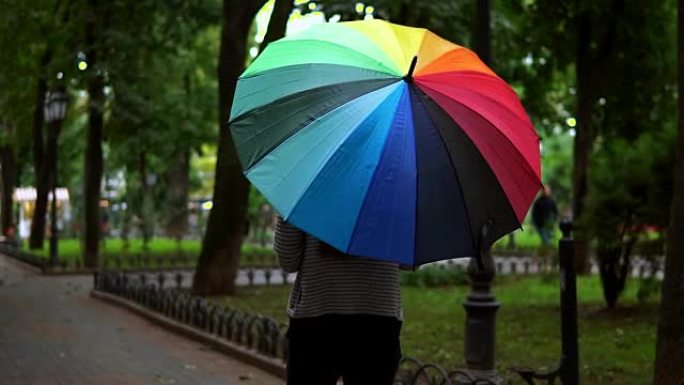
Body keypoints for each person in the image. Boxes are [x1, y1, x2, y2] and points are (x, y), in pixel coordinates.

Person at [275, 217, 402, 385]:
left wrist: (284, 217)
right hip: (379, 318)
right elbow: (409, 263)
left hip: (317, 316)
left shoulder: (306, 195)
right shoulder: (396, 196)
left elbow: (289, 261)